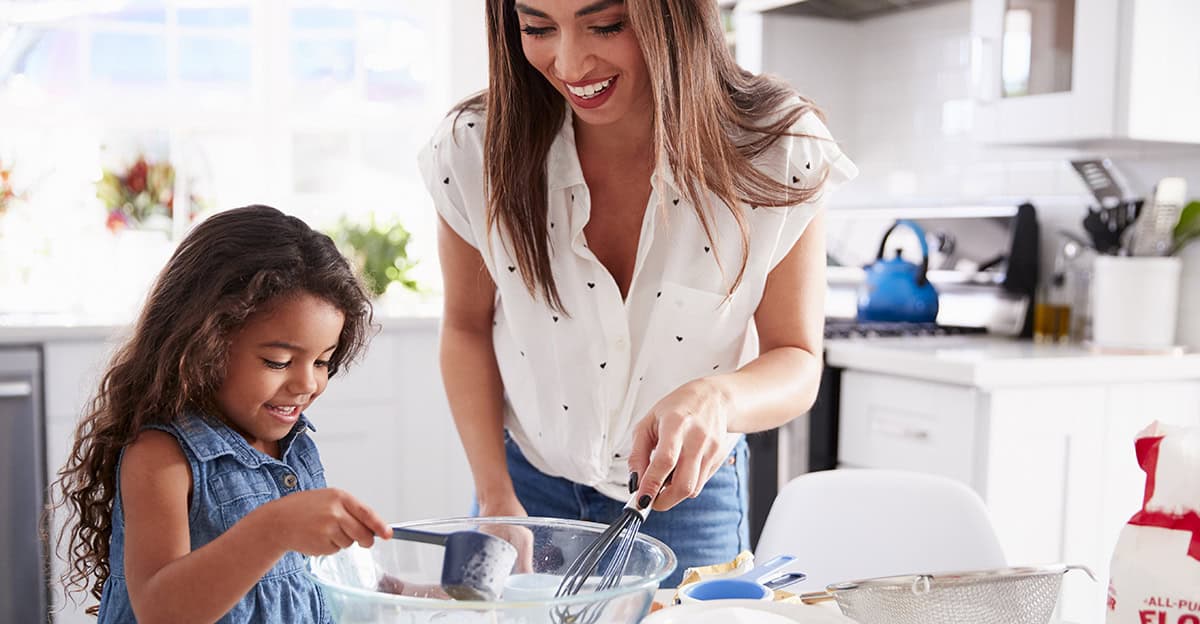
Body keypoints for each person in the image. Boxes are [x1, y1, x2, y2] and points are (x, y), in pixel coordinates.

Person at [419, 0, 856, 585]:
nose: (571, 63)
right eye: (537, 28)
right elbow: (465, 329)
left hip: (686, 497)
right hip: (521, 489)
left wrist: (718, 399)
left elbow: (798, 360)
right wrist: (495, 495)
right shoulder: (473, 150)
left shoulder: (776, 147)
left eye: (606, 25)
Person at [49, 205, 393, 623]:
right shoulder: (161, 455)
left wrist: (422, 596)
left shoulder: (292, 446)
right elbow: (161, 611)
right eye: (279, 361)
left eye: (323, 361)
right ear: (204, 346)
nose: (307, 384)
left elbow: (310, 582)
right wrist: (274, 527)